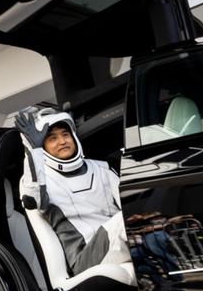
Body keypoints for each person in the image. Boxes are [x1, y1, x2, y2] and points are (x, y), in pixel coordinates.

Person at [15, 106, 128, 276]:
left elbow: (129, 203)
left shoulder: (102, 168)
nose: (62, 141)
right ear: (42, 146)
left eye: (65, 134)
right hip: (85, 258)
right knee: (127, 221)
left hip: (118, 239)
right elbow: (32, 199)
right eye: (52, 138)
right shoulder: (39, 181)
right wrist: (33, 150)